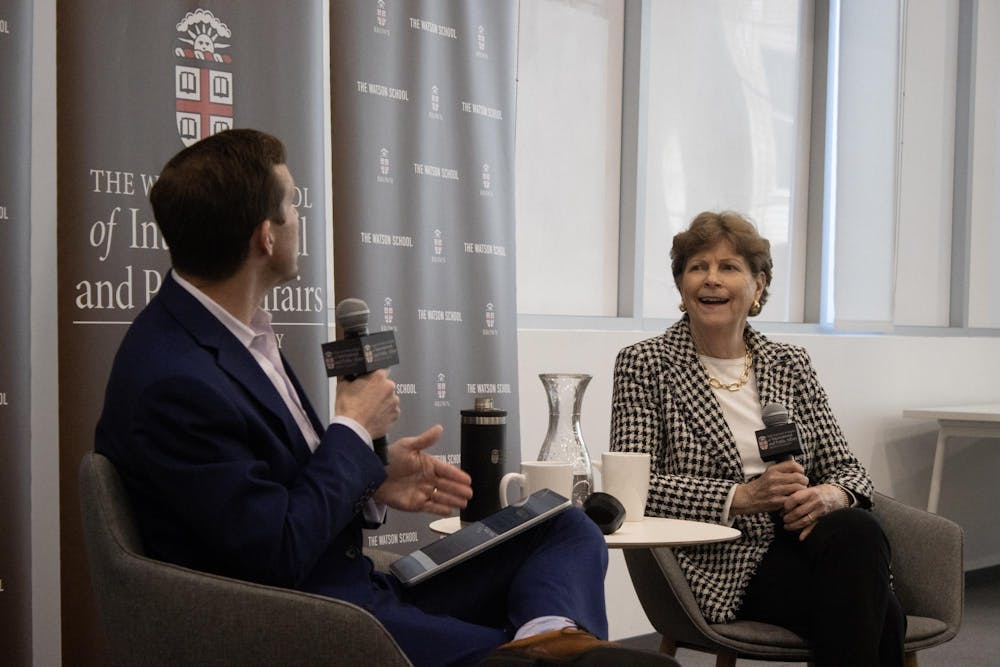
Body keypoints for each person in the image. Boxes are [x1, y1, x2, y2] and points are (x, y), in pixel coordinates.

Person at [95, 129, 676, 667]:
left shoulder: (232, 335)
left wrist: (371, 478)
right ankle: (548, 650)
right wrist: (350, 432)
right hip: (318, 620)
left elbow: (271, 488)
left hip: (363, 587)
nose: (301, 218)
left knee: (565, 525)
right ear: (265, 236)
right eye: (294, 204)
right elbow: (272, 553)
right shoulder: (174, 378)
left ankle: (547, 640)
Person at [610, 211, 906, 666]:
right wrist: (742, 496)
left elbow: (849, 470)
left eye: (728, 267)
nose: (711, 280)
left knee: (857, 529)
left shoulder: (789, 363)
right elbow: (634, 488)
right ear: (681, 286)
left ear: (758, 287)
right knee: (881, 614)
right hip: (720, 559)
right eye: (697, 267)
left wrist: (830, 495)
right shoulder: (645, 364)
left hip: (806, 539)